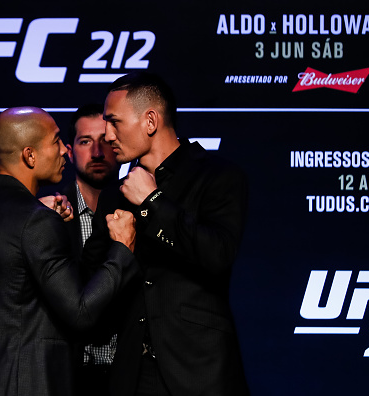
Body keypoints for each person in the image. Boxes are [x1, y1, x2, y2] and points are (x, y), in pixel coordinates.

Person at [0, 106, 138, 396]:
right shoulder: (35, 221)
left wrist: (37, 218)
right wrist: (122, 249)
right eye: (57, 141)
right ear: (29, 155)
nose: (65, 151)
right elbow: (81, 312)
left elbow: (9, 276)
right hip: (27, 383)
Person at [81, 72, 250, 396]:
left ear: (150, 120)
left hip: (200, 371)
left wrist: (152, 201)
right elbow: (91, 279)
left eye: (114, 122)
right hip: (132, 373)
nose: (107, 134)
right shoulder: (115, 194)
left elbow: (217, 255)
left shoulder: (219, 176)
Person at [59, 103, 121, 395]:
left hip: (130, 376)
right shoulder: (46, 215)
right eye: (85, 141)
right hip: (66, 377)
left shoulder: (146, 210)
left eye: (106, 141)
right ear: (69, 152)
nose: (97, 152)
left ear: (119, 146)